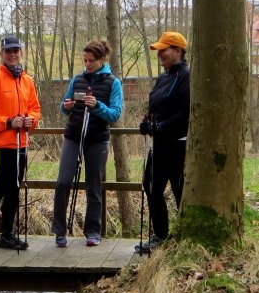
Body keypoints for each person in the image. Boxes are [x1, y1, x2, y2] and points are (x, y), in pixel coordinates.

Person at [51, 40, 123, 247]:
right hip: (73, 137)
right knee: (63, 182)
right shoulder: (77, 79)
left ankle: (93, 231)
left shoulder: (113, 83)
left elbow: (115, 114)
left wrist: (97, 105)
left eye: (91, 60)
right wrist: (67, 106)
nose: (87, 64)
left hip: (97, 140)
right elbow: (63, 107)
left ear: (102, 59)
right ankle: (59, 231)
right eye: (84, 60)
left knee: (94, 186)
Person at [0, 36, 41, 252]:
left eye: (16, 51)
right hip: (0, 144)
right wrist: (8, 122)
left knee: (14, 190)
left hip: (21, 143)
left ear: (21, 52)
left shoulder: (27, 81)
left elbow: (35, 108)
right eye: (8, 51)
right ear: (2, 54)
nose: (13, 54)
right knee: (0, 187)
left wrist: (31, 119)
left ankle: (7, 235)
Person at [136, 31, 190, 253]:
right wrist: (147, 122)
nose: (160, 55)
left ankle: (185, 237)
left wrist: (162, 127)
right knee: (151, 187)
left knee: (180, 190)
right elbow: (156, 107)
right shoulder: (164, 77)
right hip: (158, 145)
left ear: (178, 50)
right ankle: (160, 235)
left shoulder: (186, 75)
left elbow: (185, 112)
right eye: (158, 51)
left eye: (163, 50)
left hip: (177, 144)